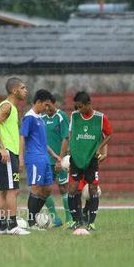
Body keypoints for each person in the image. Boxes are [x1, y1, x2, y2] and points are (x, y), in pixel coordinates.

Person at [66, 91, 112, 231]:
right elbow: (71, 133)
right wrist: (70, 149)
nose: (78, 109)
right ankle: (76, 221)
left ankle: (91, 223)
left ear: (88, 104)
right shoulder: (74, 116)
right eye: (76, 107)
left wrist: (100, 149)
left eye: (80, 106)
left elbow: (109, 135)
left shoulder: (100, 118)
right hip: (76, 158)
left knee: (93, 189)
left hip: (91, 159)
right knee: (73, 189)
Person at [0, 77, 30, 235]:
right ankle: (13, 225)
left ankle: (2, 226)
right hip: (6, 154)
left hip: (7, 153)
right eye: (22, 87)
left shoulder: (12, 108)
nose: (25, 90)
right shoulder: (7, 106)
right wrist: (3, 149)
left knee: (4, 191)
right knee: (12, 190)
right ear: (14, 90)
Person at [20, 89, 59, 229]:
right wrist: (21, 157)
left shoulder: (40, 119)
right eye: (46, 105)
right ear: (38, 102)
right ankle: (31, 222)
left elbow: (42, 141)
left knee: (47, 189)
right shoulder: (29, 117)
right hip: (34, 158)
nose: (47, 108)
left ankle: (33, 218)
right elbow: (22, 136)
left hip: (45, 158)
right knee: (36, 188)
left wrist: (53, 153)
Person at [42, 93, 71, 227]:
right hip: (45, 160)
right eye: (44, 104)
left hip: (59, 159)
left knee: (63, 187)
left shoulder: (61, 116)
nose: (46, 107)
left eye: (49, 104)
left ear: (54, 103)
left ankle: (70, 219)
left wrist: (60, 160)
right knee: (44, 189)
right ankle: (55, 219)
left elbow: (66, 138)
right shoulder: (41, 117)